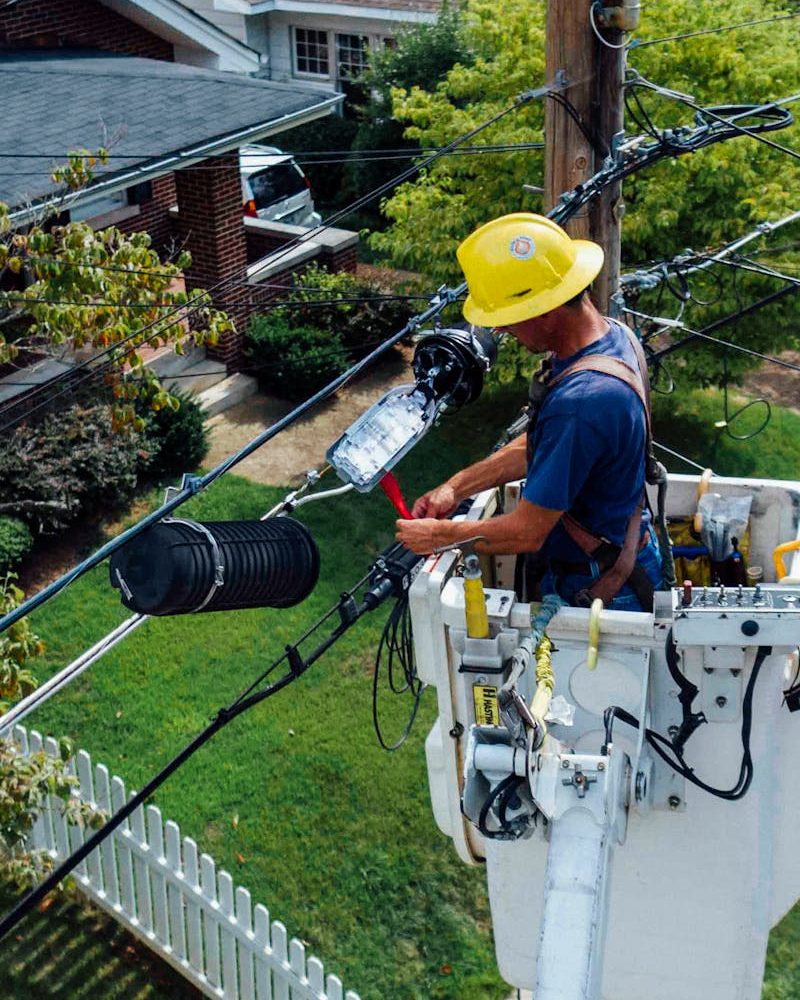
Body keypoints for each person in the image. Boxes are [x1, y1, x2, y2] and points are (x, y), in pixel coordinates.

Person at [395, 212, 662, 611]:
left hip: (600, 586)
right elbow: (544, 447)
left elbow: (526, 532)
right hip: (621, 553)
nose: (503, 332)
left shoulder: (582, 402)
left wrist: (438, 536)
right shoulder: (614, 337)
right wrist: (458, 486)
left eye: (508, 320)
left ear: (544, 311)